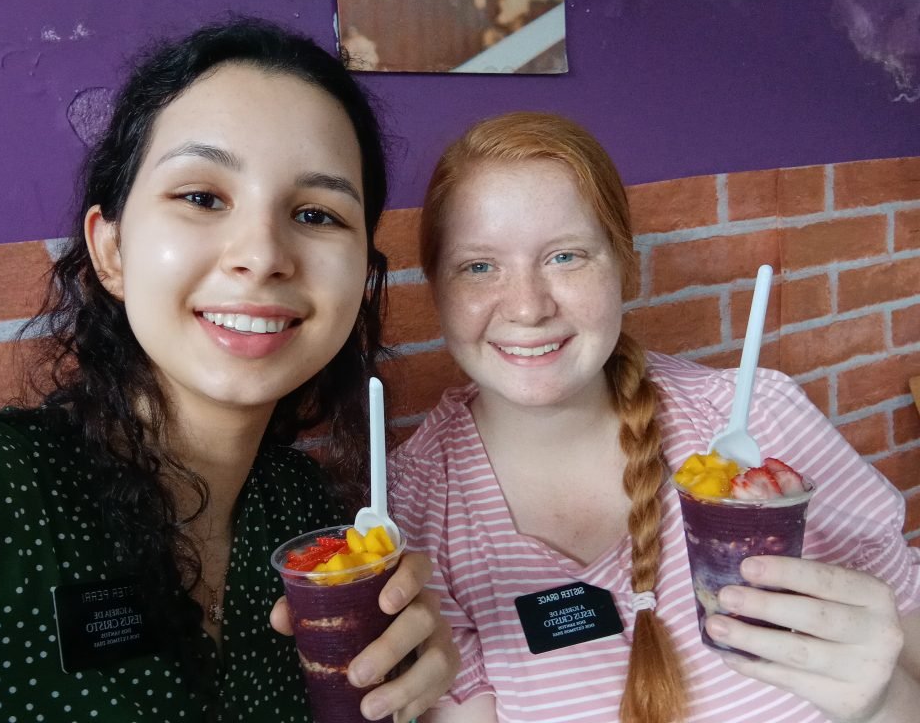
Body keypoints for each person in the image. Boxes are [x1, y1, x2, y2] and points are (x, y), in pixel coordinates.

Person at [0, 17, 458, 722]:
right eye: (201, 197)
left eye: (317, 214)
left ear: (362, 279)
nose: (262, 255)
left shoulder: (307, 516)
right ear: (111, 251)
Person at [389, 111, 920, 723]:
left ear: (626, 268)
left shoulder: (762, 422)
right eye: (479, 266)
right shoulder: (412, 506)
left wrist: (884, 703)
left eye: (565, 256)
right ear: (437, 290)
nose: (528, 308)